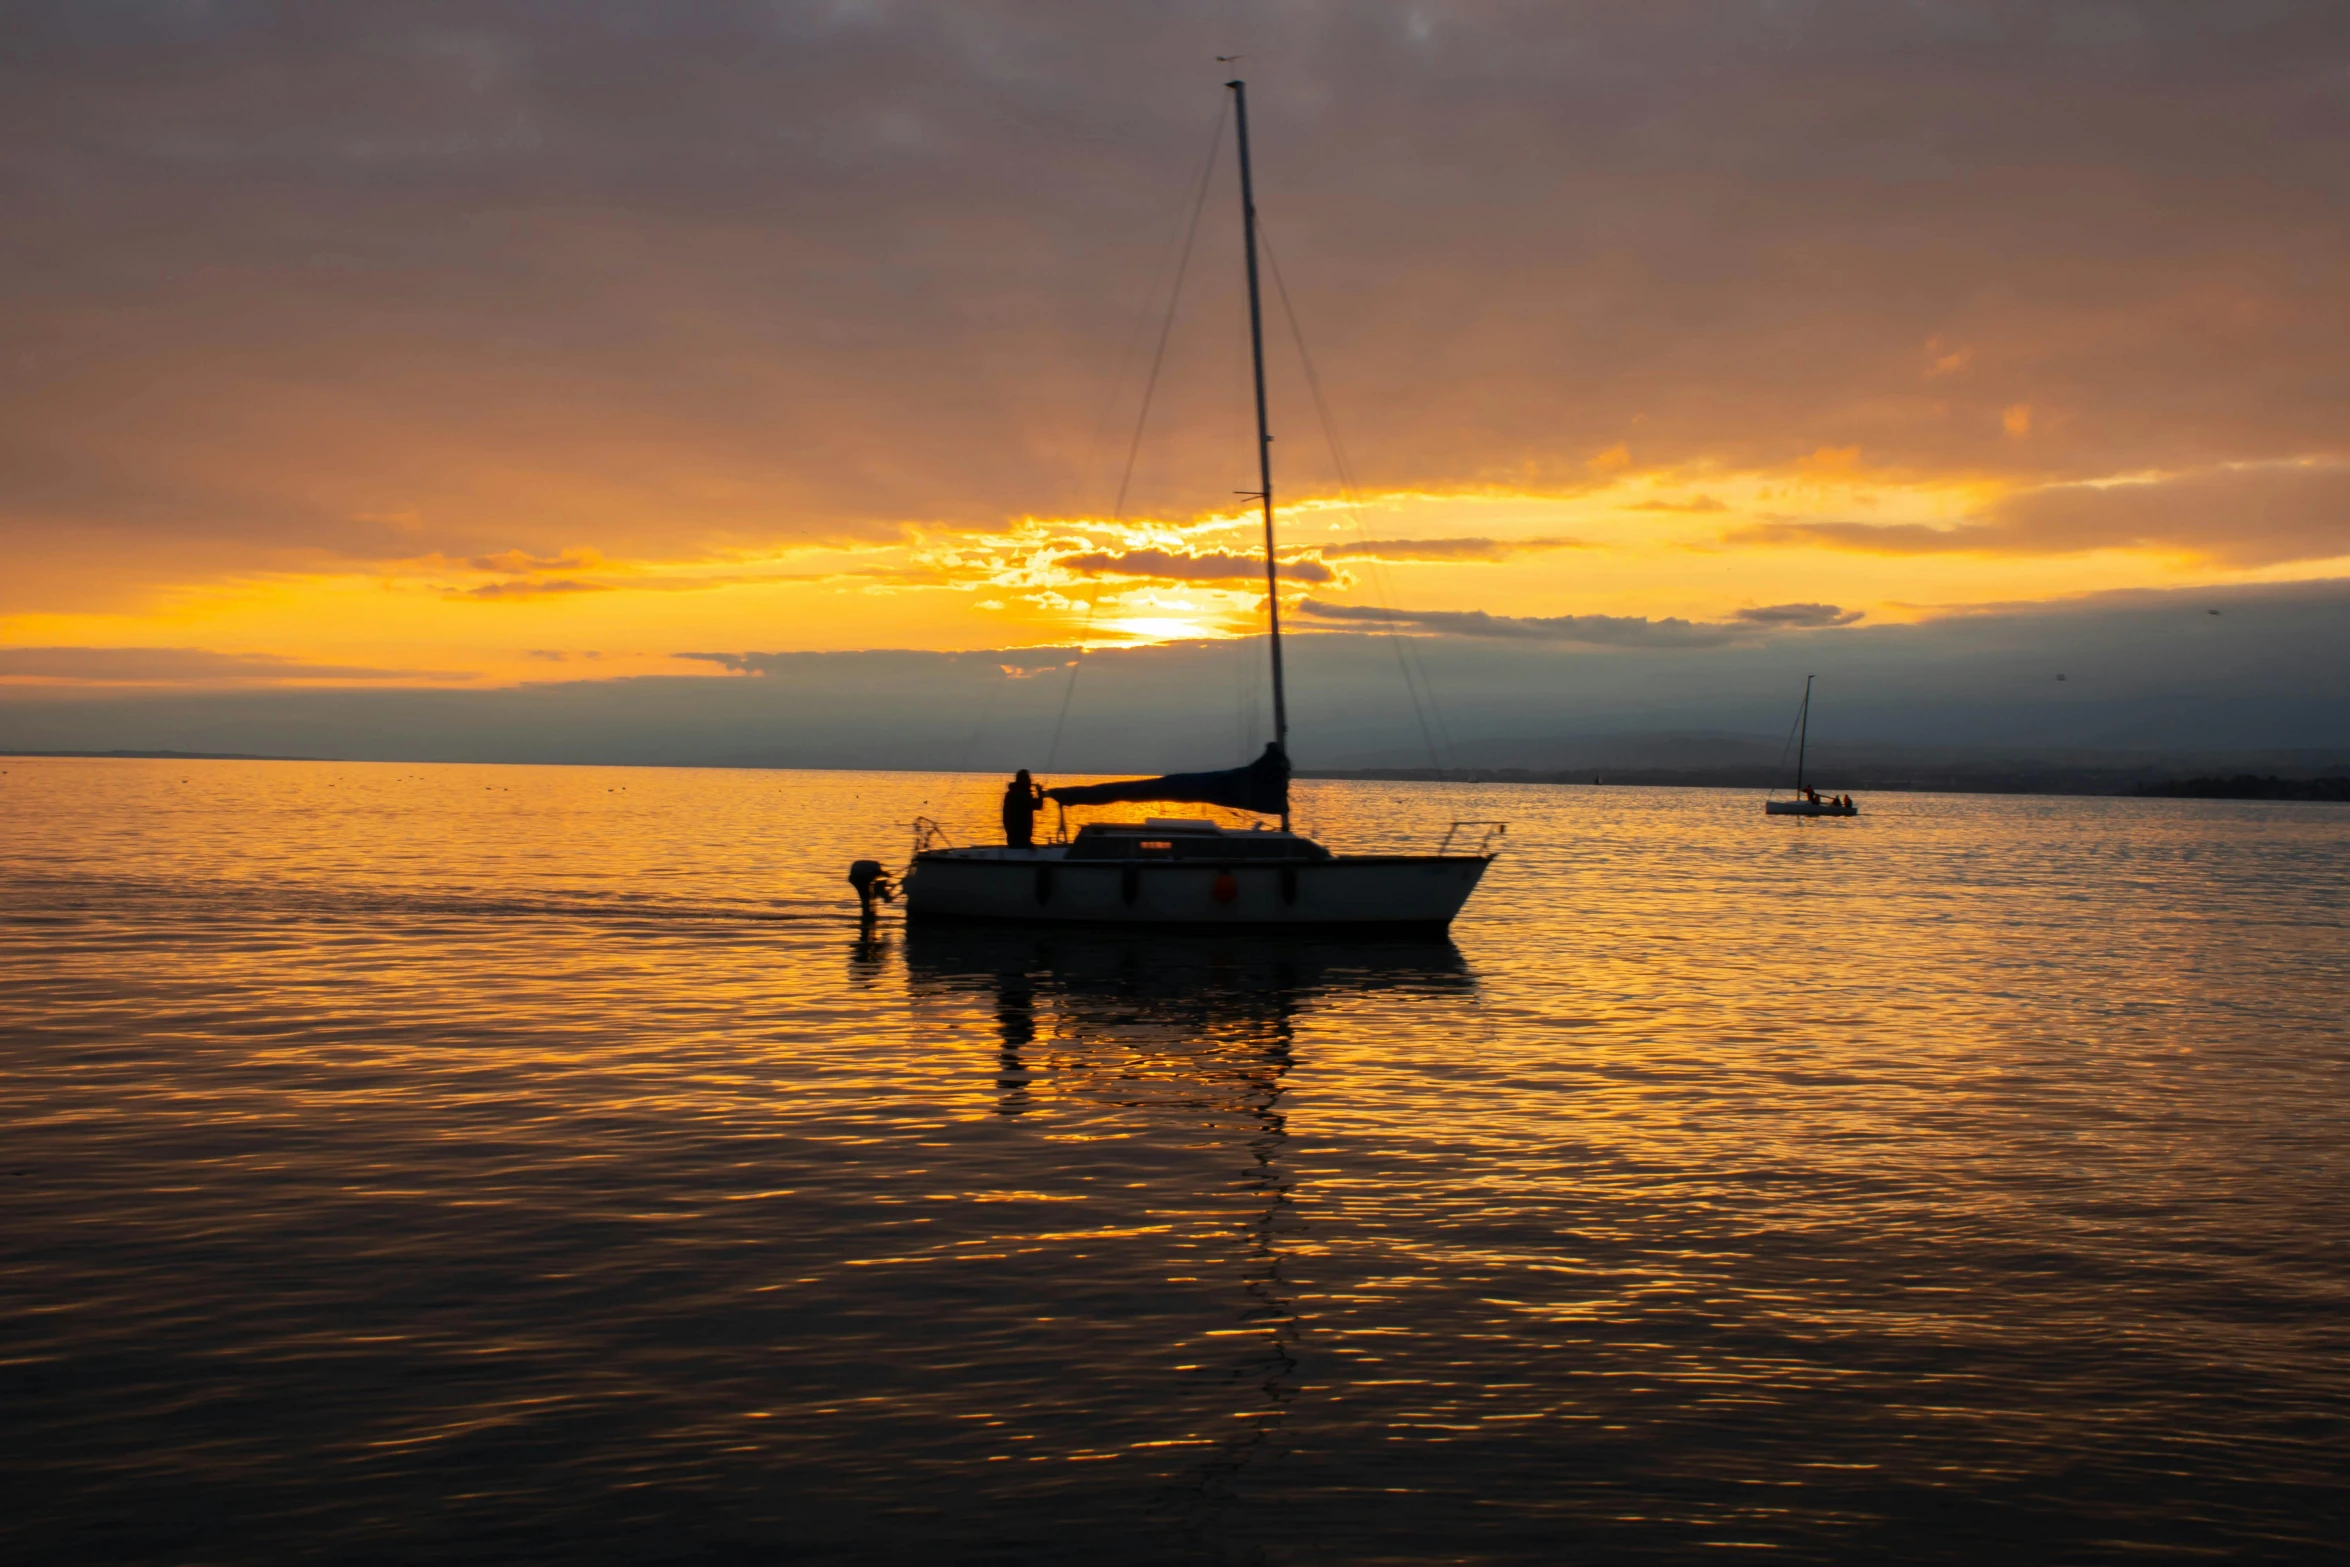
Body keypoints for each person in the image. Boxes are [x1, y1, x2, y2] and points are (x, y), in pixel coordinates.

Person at [1001, 769, 1044, 849]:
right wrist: (1040, 793)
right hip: (1020, 838)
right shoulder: (1022, 795)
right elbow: (1038, 805)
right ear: (1023, 780)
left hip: (1012, 837)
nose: (1031, 781)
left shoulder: (1011, 793)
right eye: (1028, 778)